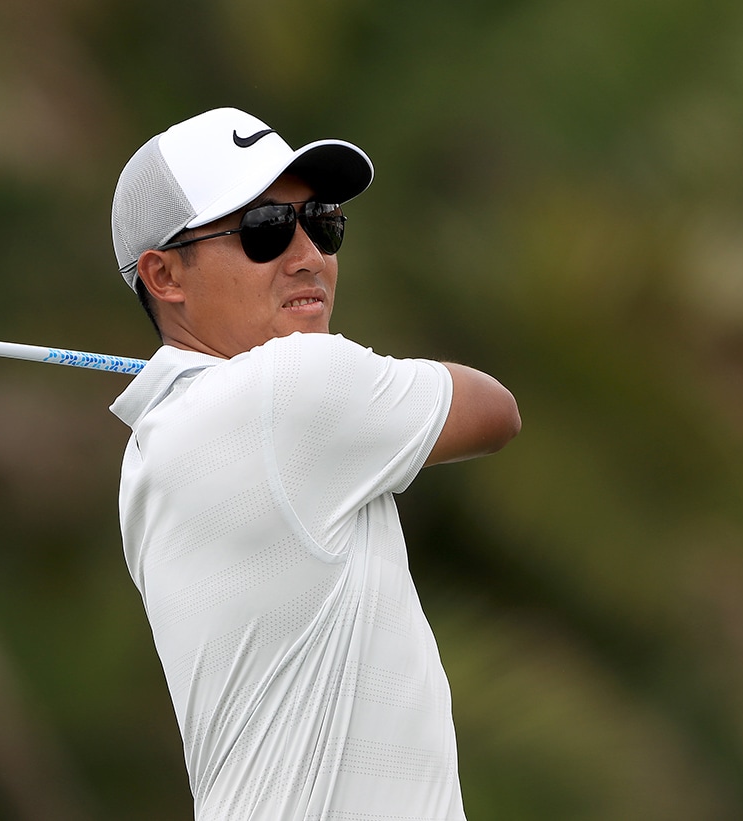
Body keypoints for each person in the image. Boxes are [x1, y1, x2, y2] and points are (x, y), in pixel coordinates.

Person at [107, 108, 521, 820]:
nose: (309, 256)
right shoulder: (293, 388)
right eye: (265, 228)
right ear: (164, 274)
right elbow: (495, 410)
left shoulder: (149, 450)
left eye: (321, 222)